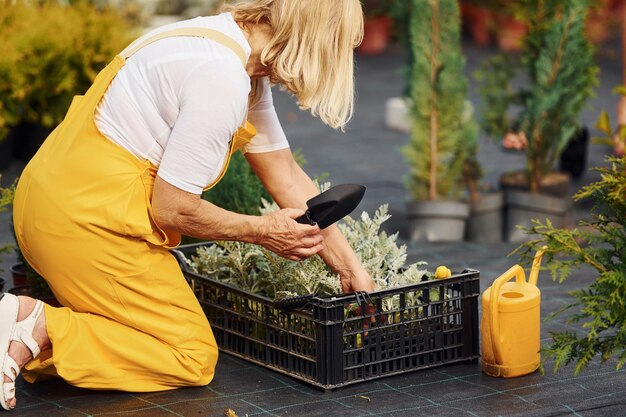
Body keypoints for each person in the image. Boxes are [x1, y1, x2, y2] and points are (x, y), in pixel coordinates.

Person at [0, 0, 375, 410]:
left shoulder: (218, 46)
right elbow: (173, 209)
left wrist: (349, 267)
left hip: (52, 201)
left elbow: (283, 173)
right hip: (87, 223)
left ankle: (22, 333)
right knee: (188, 354)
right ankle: (37, 323)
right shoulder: (221, 77)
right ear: (315, 40)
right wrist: (263, 231)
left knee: (132, 336)